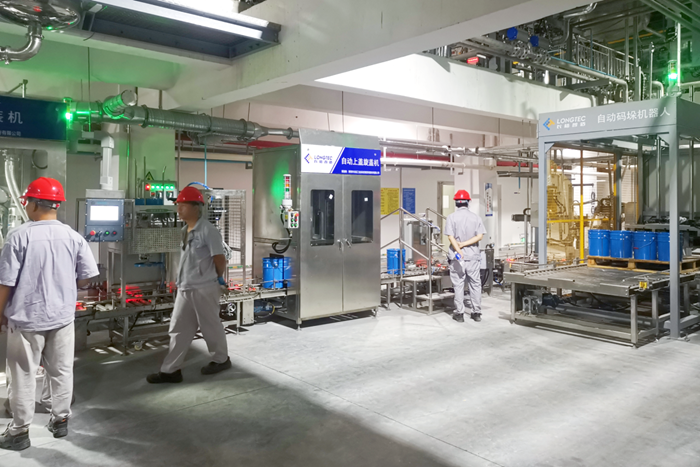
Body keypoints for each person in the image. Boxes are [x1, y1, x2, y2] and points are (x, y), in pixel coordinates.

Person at [0, 177, 99, 451]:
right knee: (62, 371)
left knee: (23, 374)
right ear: (56, 205)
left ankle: (19, 431)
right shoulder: (73, 236)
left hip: (27, 320)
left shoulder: (19, 236)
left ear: (33, 204)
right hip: (62, 318)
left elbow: (6, 282)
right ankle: (60, 420)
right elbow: (86, 277)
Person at [147, 186, 231, 384]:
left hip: (204, 287)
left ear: (196, 207)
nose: (179, 209)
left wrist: (216, 278)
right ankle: (171, 371)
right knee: (178, 328)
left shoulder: (208, 230)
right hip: (185, 288)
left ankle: (221, 359)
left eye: (183, 205)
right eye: (178, 205)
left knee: (210, 326)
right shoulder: (185, 231)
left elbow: (220, 259)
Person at [445, 189, 486, 323]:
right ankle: (476, 313)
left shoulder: (451, 217)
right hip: (473, 257)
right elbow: (479, 236)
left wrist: (459, 248)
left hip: (457, 258)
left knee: (458, 285)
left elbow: (451, 237)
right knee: (475, 284)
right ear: (468, 202)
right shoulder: (476, 218)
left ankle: (460, 314)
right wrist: (465, 244)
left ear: (456, 202)